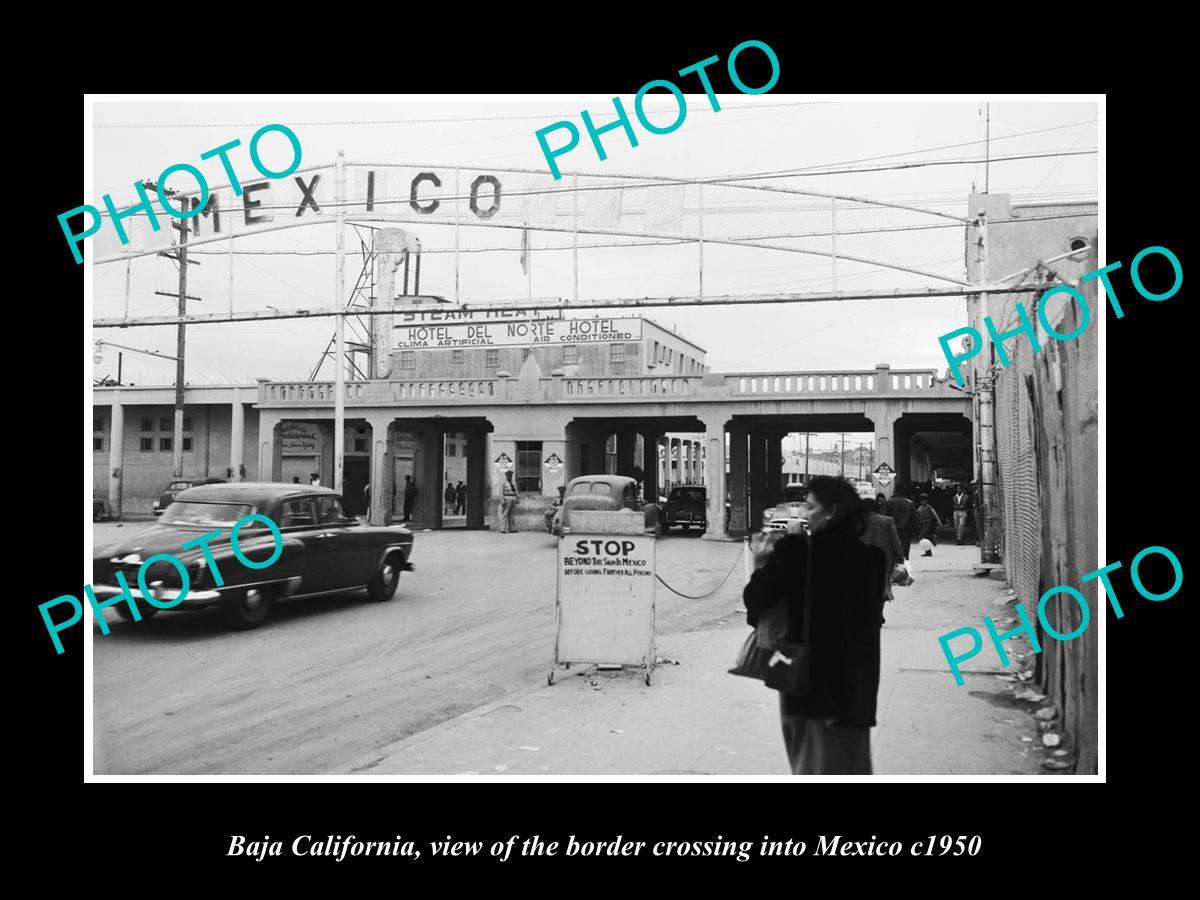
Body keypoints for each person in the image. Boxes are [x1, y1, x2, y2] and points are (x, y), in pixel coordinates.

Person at [743, 476, 885, 775]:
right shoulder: (871, 557)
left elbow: (756, 603)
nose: (803, 513)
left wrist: (765, 559)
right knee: (851, 763)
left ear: (830, 511)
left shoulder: (800, 552)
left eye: (809, 506)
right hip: (856, 685)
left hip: (810, 682)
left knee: (813, 764)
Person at [858, 496, 904, 620]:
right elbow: (895, 541)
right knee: (882, 587)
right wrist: (900, 556)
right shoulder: (887, 521)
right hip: (884, 561)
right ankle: (879, 612)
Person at [885, 483, 915, 561]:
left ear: (895, 490)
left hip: (892, 531)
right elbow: (913, 519)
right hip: (906, 531)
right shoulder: (910, 503)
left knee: (893, 554)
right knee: (904, 556)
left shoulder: (889, 502)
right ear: (905, 492)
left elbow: (884, 517)